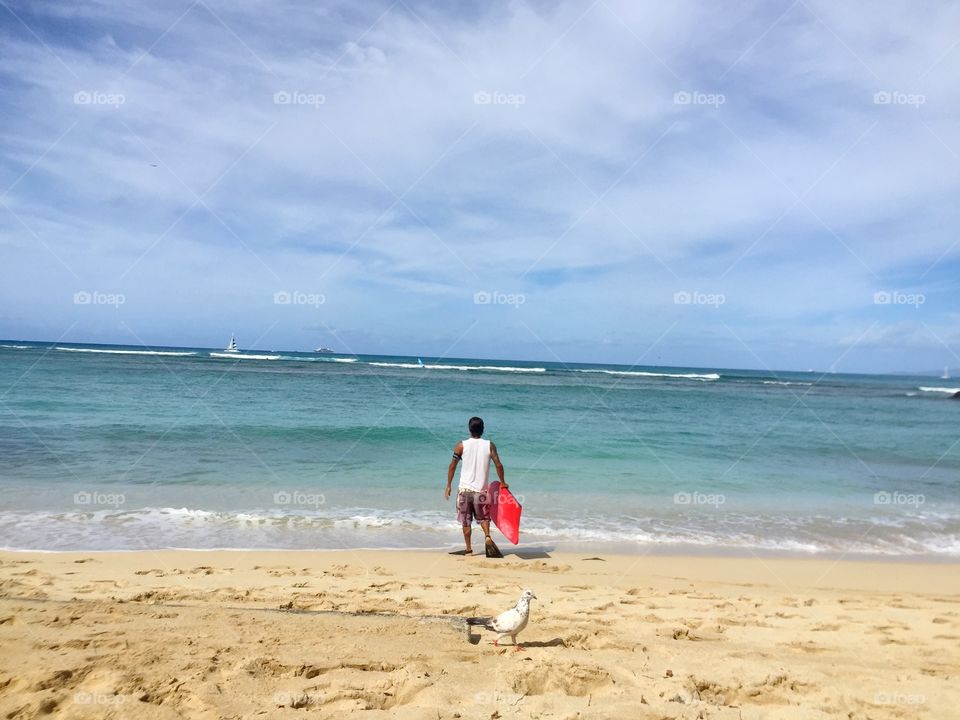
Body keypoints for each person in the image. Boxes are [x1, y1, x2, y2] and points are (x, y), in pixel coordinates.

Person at [445, 416, 506, 555]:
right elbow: (498, 465)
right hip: (481, 491)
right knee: (484, 518)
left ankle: (468, 549)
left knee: (466, 521)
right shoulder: (489, 445)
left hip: (464, 490)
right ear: (483, 429)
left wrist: (448, 485)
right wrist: (502, 482)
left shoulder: (461, 445)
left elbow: (452, 466)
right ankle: (487, 537)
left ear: (469, 429)